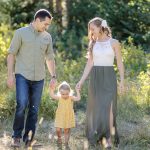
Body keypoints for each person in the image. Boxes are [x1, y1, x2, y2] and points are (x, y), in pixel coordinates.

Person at [7, 9, 57, 147]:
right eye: (45, 24)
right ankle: (16, 136)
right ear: (37, 20)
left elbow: (50, 57)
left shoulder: (47, 37)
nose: (46, 27)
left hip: (39, 78)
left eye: (48, 25)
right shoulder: (20, 33)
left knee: (34, 109)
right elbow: (11, 54)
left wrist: (53, 76)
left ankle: (28, 139)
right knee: (22, 104)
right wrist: (10, 75)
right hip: (22, 75)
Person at [76, 17, 124, 149]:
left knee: (109, 108)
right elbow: (90, 63)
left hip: (109, 77)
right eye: (90, 29)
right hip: (96, 78)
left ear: (101, 27)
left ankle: (108, 138)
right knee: (97, 108)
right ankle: (99, 135)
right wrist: (81, 80)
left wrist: (122, 81)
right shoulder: (93, 43)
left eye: (93, 28)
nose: (91, 31)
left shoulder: (114, 43)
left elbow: (119, 62)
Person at [49, 81, 81, 145]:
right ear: (60, 93)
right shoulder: (59, 97)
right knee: (58, 129)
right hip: (60, 115)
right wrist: (51, 89)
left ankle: (66, 142)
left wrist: (77, 91)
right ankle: (59, 138)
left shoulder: (70, 98)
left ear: (69, 92)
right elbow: (52, 95)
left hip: (67, 116)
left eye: (67, 94)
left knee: (66, 130)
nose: (65, 95)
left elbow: (78, 98)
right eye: (63, 94)